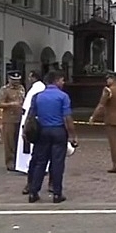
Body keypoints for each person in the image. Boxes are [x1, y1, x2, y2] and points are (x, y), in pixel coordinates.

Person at [27, 70, 78, 203]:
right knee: (57, 163)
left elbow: (31, 116)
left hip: (42, 131)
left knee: (40, 162)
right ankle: (57, 193)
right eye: (62, 80)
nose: (63, 83)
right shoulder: (63, 96)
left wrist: (26, 132)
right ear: (56, 81)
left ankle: (33, 192)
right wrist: (73, 135)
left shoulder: (38, 96)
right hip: (58, 131)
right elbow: (67, 118)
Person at [15, 70, 53, 195]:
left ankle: (33, 185)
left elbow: (32, 107)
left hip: (33, 121)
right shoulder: (35, 88)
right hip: (30, 118)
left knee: (36, 154)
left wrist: (28, 125)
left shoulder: (39, 89)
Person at [89, 72, 116, 173]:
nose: (107, 81)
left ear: (112, 79)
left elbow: (101, 105)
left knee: (113, 143)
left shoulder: (108, 90)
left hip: (111, 119)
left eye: (108, 79)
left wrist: (93, 117)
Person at [0, 70, 26, 171]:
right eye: (14, 81)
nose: (16, 83)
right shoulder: (4, 90)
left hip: (20, 118)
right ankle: (10, 162)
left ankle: (18, 162)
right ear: (9, 79)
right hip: (9, 119)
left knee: (19, 141)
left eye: (17, 80)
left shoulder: (21, 88)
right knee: (9, 142)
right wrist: (11, 104)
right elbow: (0, 104)